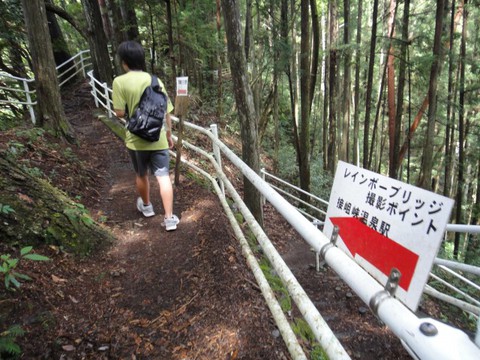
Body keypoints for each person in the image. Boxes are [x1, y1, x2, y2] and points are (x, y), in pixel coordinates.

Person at [112, 40, 179, 231]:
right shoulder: (156, 80)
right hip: (158, 137)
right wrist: (169, 135)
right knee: (164, 176)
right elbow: (166, 111)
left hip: (136, 139)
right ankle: (169, 218)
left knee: (141, 173)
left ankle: (147, 207)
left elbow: (119, 112)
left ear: (124, 61)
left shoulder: (119, 82)